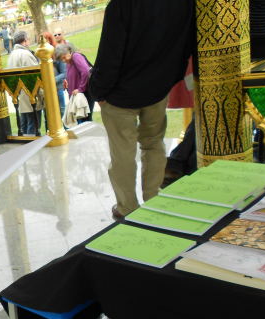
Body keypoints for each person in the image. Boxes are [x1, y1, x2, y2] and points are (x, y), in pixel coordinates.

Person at [88, 0, 194, 220]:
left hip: (120, 94)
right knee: (154, 143)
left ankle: (127, 207)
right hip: (157, 88)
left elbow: (110, 53)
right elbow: (186, 46)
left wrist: (98, 91)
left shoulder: (122, 5)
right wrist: (169, 79)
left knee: (123, 152)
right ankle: (153, 197)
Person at [7, 31, 42, 136]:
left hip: (20, 95)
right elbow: (34, 76)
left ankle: (26, 143)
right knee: (33, 124)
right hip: (30, 94)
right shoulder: (25, 54)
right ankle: (32, 144)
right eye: (28, 39)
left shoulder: (12, 55)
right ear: (25, 41)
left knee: (25, 124)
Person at [54, 42, 93, 123]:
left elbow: (85, 72)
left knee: (86, 122)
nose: (64, 60)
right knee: (82, 122)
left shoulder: (75, 56)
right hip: (78, 96)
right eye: (61, 59)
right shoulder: (69, 62)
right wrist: (67, 81)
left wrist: (80, 89)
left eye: (64, 57)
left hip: (85, 94)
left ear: (67, 51)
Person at [43, 31, 67, 118]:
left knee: (61, 111)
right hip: (46, 90)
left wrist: (53, 80)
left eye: (47, 39)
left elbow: (64, 73)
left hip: (58, 88)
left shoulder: (57, 52)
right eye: (43, 40)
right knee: (48, 114)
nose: (45, 42)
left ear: (50, 40)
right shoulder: (40, 54)